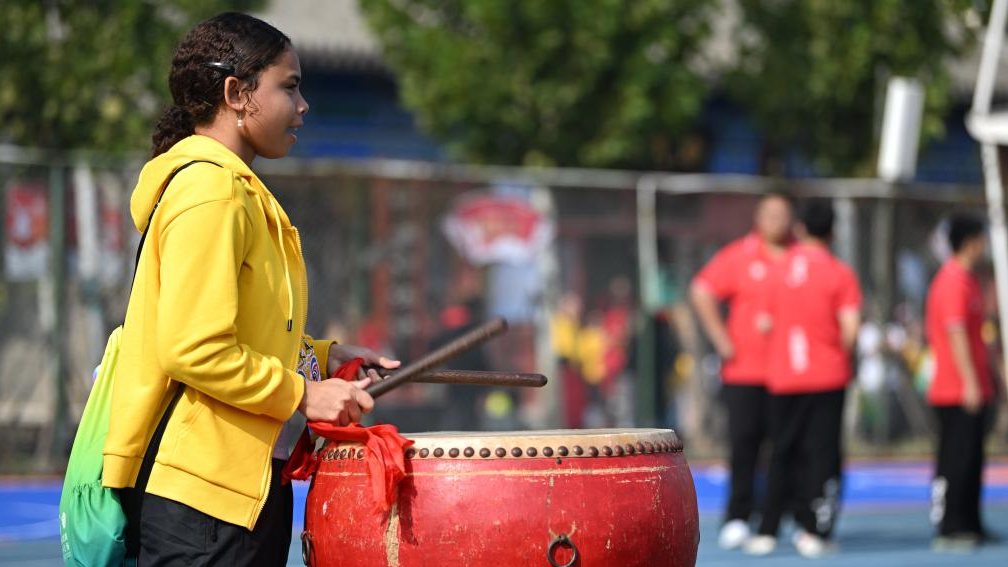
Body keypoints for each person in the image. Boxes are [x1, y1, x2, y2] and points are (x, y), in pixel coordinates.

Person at [101, 13, 399, 565]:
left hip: (237, 492)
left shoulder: (233, 190)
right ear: (236, 94)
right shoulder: (212, 192)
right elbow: (195, 349)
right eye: (289, 87)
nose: (303, 106)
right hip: (203, 500)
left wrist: (324, 359)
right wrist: (305, 395)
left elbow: (242, 332)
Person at [746, 201, 861, 558]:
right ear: (833, 232)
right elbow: (851, 330)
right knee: (823, 455)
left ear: (800, 229)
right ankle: (815, 530)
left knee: (780, 452)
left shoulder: (777, 270)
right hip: (827, 377)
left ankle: (767, 529)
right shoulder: (840, 273)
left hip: (783, 377)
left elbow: (763, 324)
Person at [690, 192, 794, 549]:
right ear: (758, 218)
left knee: (786, 447)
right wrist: (721, 339)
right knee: (744, 445)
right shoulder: (739, 255)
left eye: (783, 214)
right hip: (745, 372)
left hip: (791, 374)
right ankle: (738, 514)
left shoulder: (799, 258)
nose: (777, 221)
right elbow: (701, 290)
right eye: (770, 214)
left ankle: (779, 514)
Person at [926, 213, 997, 551]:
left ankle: (970, 522)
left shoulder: (970, 281)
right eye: (982, 240)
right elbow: (955, 334)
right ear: (970, 243)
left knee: (973, 459)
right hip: (954, 389)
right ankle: (950, 525)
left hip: (975, 385)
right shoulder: (951, 280)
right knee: (955, 459)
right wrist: (969, 381)